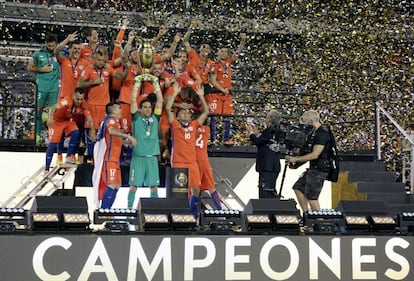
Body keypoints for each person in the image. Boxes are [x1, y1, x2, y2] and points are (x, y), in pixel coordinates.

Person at [166, 83, 209, 217]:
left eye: (187, 113)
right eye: (182, 112)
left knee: (196, 189)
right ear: (178, 117)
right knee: (179, 192)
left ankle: (193, 214)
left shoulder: (194, 125)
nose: (185, 113)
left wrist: (201, 97)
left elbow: (206, 112)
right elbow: (168, 108)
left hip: (192, 162)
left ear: (191, 117)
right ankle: (177, 214)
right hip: (178, 162)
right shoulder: (175, 125)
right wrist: (174, 94)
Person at [285, 109, 333, 214]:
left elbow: (315, 154)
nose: (304, 125)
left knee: (312, 197)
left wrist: (296, 159)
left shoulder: (322, 133)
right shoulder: (313, 134)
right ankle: (307, 216)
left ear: (311, 121)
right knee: (298, 188)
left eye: (305, 122)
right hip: (313, 168)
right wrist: (296, 163)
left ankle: (319, 221)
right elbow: (307, 153)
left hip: (320, 169)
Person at [127, 74, 163, 208]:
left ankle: (154, 210)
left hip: (152, 157)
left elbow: (160, 101)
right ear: (141, 109)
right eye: (145, 107)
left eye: (149, 107)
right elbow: (132, 100)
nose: (148, 109)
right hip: (138, 157)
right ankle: (129, 210)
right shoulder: (136, 118)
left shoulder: (155, 118)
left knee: (154, 187)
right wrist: (137, 83)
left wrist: (155, 83)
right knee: (133, 186)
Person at [94, 102, 137, 209]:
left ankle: (108, 212)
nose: (121, 110)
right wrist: (128, 136)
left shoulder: (115, 122)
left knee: (117, 186)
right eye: (118, 108)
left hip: (115, 159)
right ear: (113, 111)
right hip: (109, 159)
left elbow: (114, 139)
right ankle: (103, 212)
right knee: (111, 185)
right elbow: (112, 131)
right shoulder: (111, 120)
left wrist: (126, 142)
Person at [44, 88, 96, 173]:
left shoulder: (84, 104)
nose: (79, 101)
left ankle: (69, 155)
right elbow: (53, 107)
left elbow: (89, 118)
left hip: (67, 121)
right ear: (73, 96)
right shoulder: (67, 101)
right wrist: (50, 118)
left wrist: (93, 131)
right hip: (56, 121)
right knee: (53, 144)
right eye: (77, 99)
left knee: (76, 132)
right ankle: (46, 169)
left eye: (81, 99)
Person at [208, 33, 246, 145]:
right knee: (214, 116)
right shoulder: (214, 65)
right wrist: (222, 89)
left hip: (227, 94)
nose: (224, 53)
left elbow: (237, 53)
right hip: (216, 94)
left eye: (226, 51)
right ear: (217, 53)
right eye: (222, 51)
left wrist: (242, 42)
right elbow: (213, 81)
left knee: (227, 117)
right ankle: (212, 138)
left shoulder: (229, 62)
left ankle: (225, 139)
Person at [27, 34, 60, 145]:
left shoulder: (58, 54)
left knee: (53, 114)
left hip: (54, 88)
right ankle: (37, 136)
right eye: (49, 45)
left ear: (56, 44)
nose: (51, 48)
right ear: (46, 43)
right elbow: (29, 68)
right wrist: (42, 69)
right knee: (38, 111)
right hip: (41, 87)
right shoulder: (38, 54)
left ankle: (52, 137)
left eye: (53, 46)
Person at [246, 110, 282, 198]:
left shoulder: (270, 131)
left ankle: (268, 210)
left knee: (265, 192)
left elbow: (258, 141)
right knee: (270, 190)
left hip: (267, 166)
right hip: (273, 166)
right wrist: (257, 133)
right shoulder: (276, 131)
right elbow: (264, 140)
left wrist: (251, 133)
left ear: (269, 119)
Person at [195, 118, 222, 210]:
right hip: (204, 160)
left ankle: (193, 212)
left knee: (194, 187)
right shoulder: (207, 129)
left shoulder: (192, 128)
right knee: (212, 187)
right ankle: (220, 211)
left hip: (195, 160)